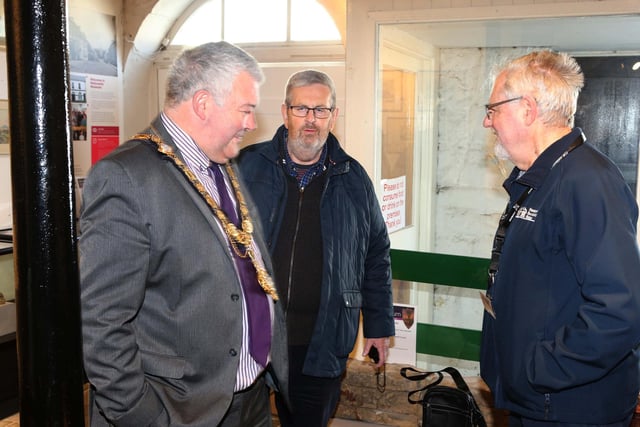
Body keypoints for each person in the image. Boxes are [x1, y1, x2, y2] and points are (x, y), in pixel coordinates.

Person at [79, 41, 288, 427]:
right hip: (181, 411)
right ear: (204, 104)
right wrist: (144, 417)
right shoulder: (126, 176)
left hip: (250, 398)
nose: (251, 124)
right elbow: (102, 323)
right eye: (245, 110)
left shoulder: (219, 162)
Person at [480, 50, 640, 426]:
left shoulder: (587, 181)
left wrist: (540, 369)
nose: (488, 122)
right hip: (536, 399)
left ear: (527, 110)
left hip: (566, 406)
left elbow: (620, 308)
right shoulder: (542, 177)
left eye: (493, 109)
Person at [237, 69, 395, 427]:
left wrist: (378, 324)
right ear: (284, 112)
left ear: (333, 116)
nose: (311, 120)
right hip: (252, 338)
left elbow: (376, 253)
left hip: (320, 342)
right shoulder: (246, 167)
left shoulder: (353, 179)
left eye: (320, 110)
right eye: (301, 109)